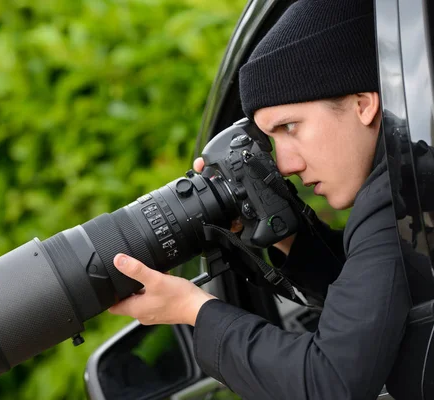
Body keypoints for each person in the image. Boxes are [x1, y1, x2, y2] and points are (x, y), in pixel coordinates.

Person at [107, 0, 420, 399]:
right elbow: (374, 295)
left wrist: (192, 309)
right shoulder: (411, 192)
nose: (285, 164)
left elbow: (329, 383)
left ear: (362, 104)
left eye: (290, 126)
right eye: (273, 140)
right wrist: (281, 227)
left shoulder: (396, 202)